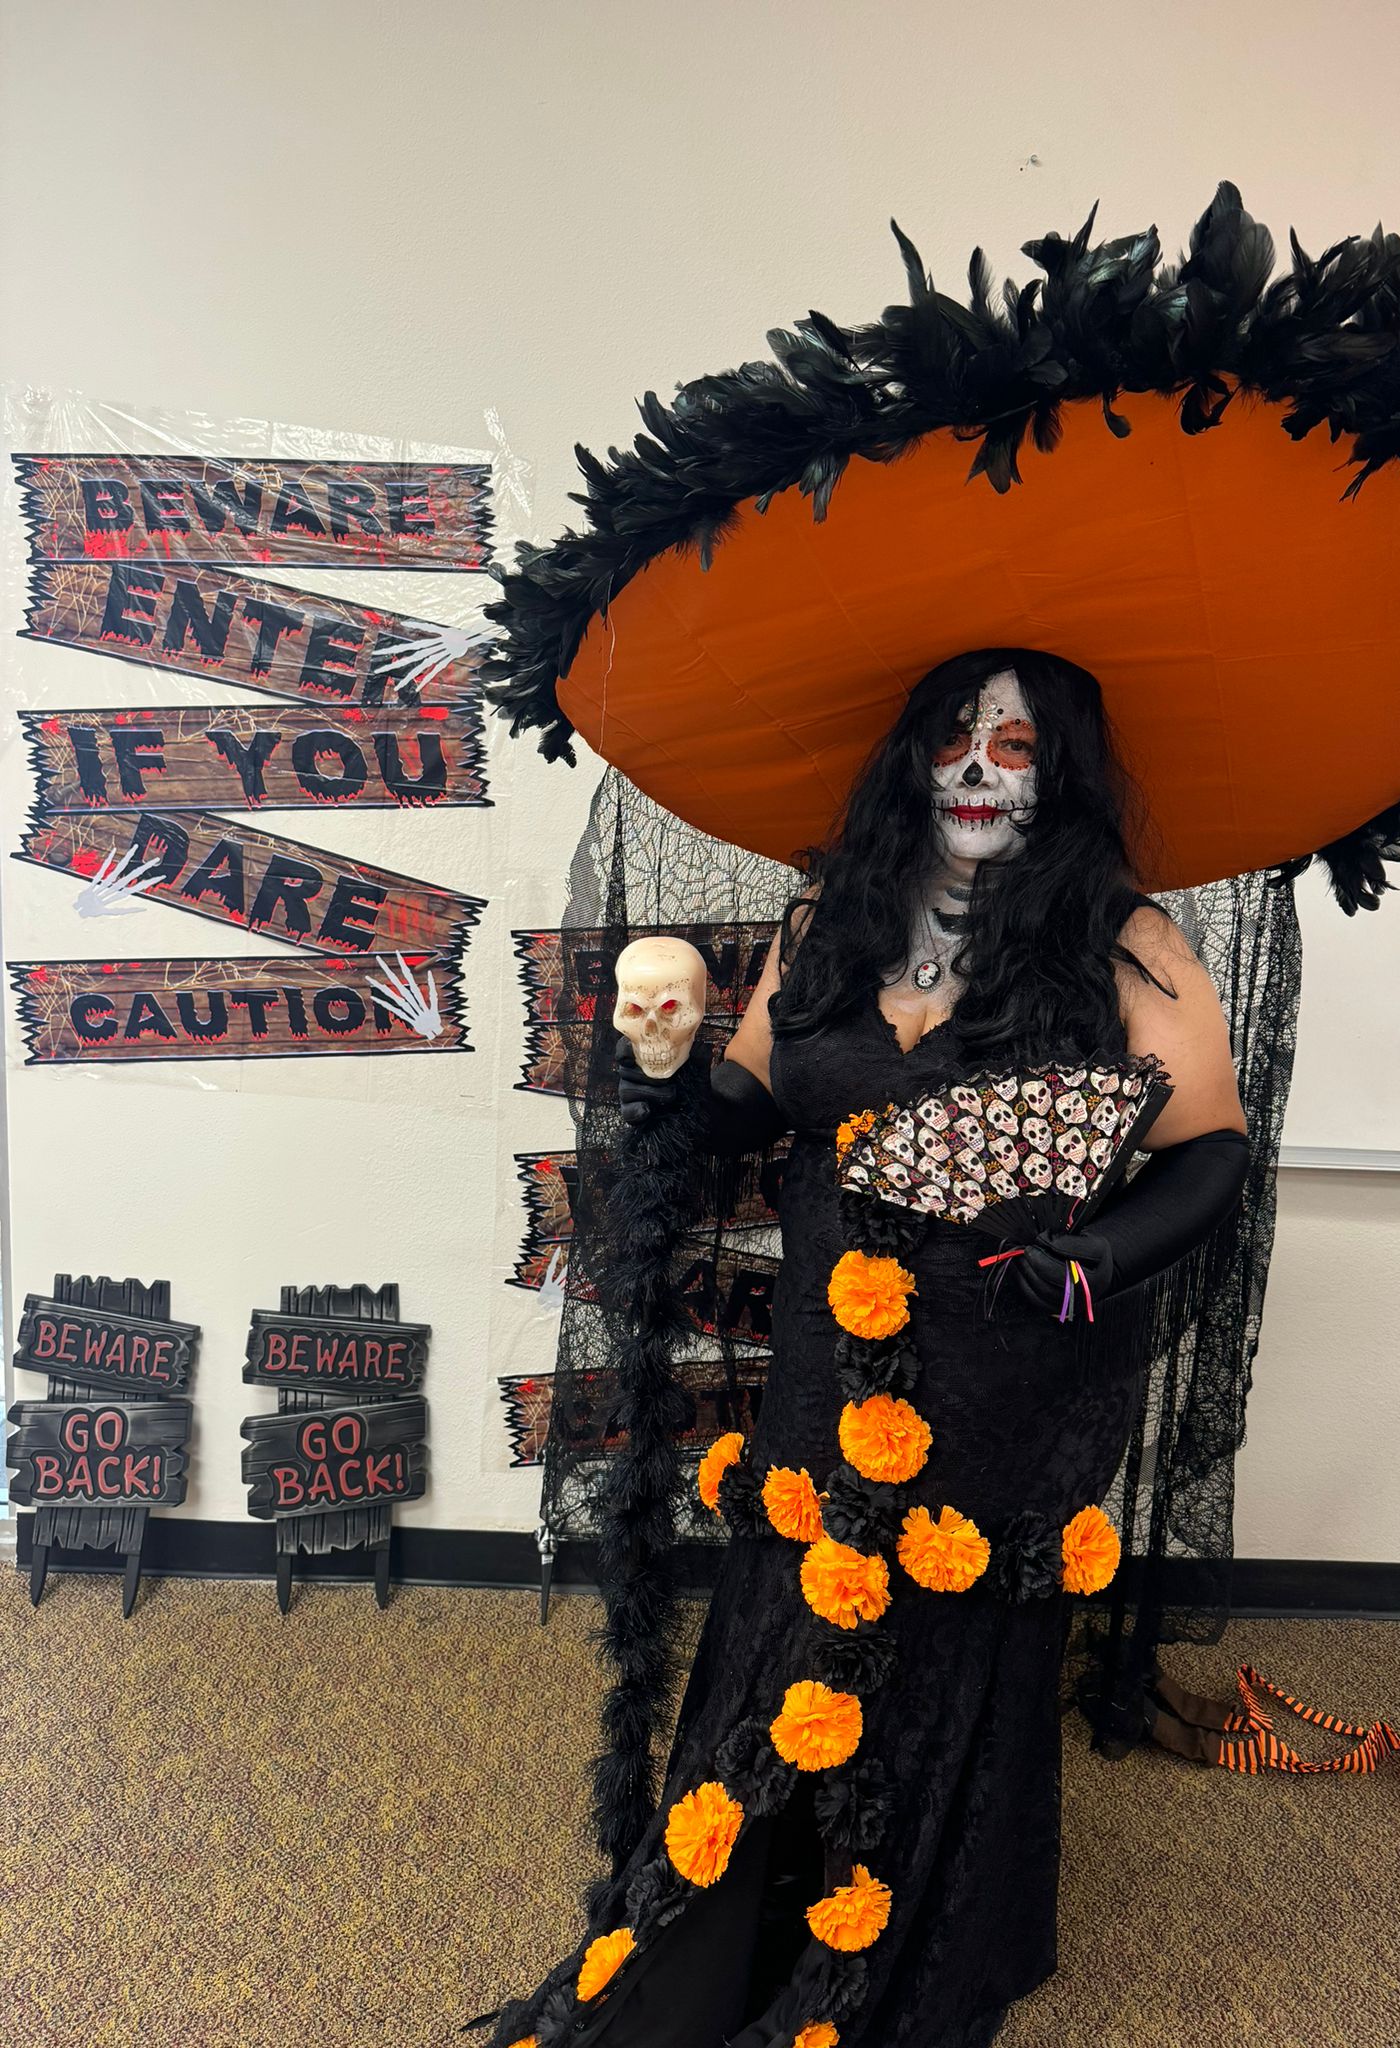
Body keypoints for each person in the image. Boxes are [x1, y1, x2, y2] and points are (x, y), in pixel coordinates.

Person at [479, 644, 1250, 2048]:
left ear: (1063, 773)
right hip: (830, 1356)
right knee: (798, 1592)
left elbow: (1209, 1154)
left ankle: (940, 1919)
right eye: (954, 737)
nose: (977, 768)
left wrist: (1100, 1261)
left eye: (1015, 746)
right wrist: (669, 1085)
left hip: (1011, 1357)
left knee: (946, 1626)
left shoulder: (1126, 944)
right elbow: (756, 1092)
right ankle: (742, 1901)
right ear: (910, 758)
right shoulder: (831, 918)